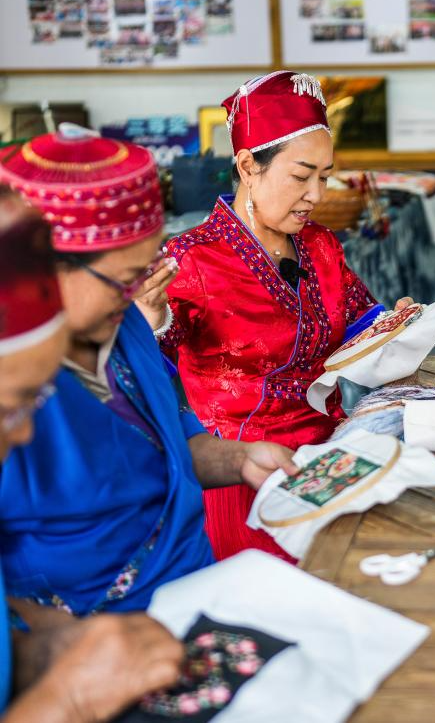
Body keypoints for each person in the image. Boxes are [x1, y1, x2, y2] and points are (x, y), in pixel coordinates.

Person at [0, 125, 299, 616]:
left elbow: (166, 443)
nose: (144, 287)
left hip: (197, 595)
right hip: (95, 637)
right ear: (44, 271)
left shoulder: (127, 325)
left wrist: (239, 459)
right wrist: (54, 643)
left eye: (150, 265)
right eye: (124, 277)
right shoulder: (13, 390)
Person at [155, 71, 410, 561]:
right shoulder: (192, 260)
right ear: (248, 165)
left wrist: (396, 324)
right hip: (244, 479)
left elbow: (362, 322)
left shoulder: (321, 244)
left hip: (331, 462)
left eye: (324, 176)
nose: (316, 194)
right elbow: (143, 373)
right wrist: (150, 322)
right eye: (301, 176)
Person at [0, 183, 184, 722]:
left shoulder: (127, 329)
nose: (26, 434)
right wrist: (68, 700)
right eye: (12, 406)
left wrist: (41, 642)